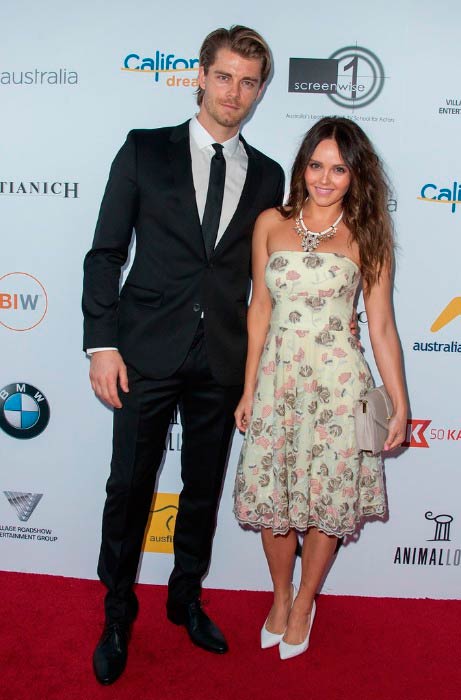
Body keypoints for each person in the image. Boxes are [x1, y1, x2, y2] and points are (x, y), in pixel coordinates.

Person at [82, 26, 285, 685]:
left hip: (221, 361)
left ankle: (185, 596)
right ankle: (115, 613)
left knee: (201, 491)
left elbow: (264, 280)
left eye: (248, 81)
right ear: (199, 76)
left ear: (259, 90)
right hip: (142, 353)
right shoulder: (145, 151)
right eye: (223, 76)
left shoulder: (271, 175)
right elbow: (105, 254)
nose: (235, 92)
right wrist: (102, 343)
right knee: (128, 488)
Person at [233, 117, 407, 660]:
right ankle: (280, 595)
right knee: (273, 496)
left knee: (325, 501)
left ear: (357, 175)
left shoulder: (368, 234)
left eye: (339, 168)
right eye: (317, 165)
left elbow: (380, 325)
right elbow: (259, 309)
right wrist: (247, 390)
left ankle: (306, 600)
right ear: (302, 166)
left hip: (337, 388)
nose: (325, 179)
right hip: (276, 383)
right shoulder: (270, 223)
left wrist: (399, 402)